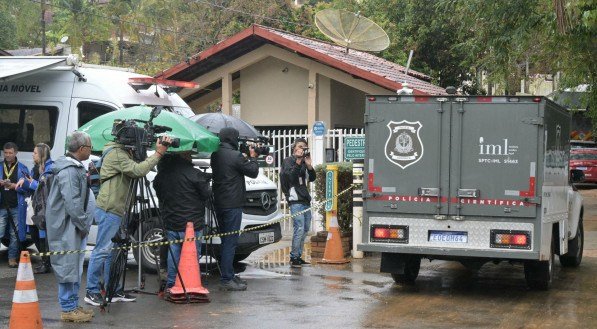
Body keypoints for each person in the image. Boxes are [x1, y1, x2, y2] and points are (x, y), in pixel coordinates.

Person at [84, 136, 171, 306]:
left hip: (117, 208)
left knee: (115, 251)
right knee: (102, 249)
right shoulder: (117, 153)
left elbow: (137, 167)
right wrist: (158, 153)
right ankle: (91, 291)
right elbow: (138, 171)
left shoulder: (123, 153)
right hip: (110, 208)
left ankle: (113, 289)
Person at [45, 132, 96, 322]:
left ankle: (73, 305)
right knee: (67, 266)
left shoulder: (73, 167)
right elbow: (73, 203)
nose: (91, 151)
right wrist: (83, 224)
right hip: (67, 226)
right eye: (90, 147)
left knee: (73, 266)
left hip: (72, 226)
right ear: (82, 149)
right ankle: (68, 308)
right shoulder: (68, 170)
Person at [153, 152, 211, 295]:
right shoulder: (194, 174)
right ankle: (190, 282)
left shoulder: (161, 176)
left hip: (171, 221)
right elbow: (207, 195)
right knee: (192, 256)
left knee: (174, 255)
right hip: (192, 224)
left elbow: (159, 194)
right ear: (185, 157)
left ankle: (172, 284)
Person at [211, 127, 258, 291]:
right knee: (230, 243)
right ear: (232, 138)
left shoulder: (215, 154)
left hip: (220, 203)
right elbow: (253, 172)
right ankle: (226, 279)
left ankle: (229, 274)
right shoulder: (235, 156)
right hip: (232, 204)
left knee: (226, 242)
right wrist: (252, 158)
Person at [16, 143, 54, 274]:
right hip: (35, 204)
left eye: (35, 153)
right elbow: (35, 184)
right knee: (33, 231)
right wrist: (24, 182)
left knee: (41, 232)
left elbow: (43, 187)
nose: (33, 155)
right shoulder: (36, 167)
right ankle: (45, 261)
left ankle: (46, 263)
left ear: (42, 155)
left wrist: (29, 182)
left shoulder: (50, 168)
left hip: (43, 206)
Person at [280, 138, 316, 268]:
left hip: (305, 200)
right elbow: (290, 177)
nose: (302, 149)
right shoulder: (288, 161)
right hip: (295, 201)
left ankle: (298, 256)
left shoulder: (304, 161)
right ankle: (294, 257)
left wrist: (309, 166)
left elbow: (312, 178)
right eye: (300, 146)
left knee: (305, 229)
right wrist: (298, 161)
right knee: (299, 228)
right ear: (294, 148)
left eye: (305, 147)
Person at [0, 142, 30, 268]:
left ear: (16, 153)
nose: (8, 155)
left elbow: (28, 188)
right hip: (1, 206)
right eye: (5, 153)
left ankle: (12, 258)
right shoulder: (0, 166)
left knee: (14, 234)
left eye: (10, 153)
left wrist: (14, 186)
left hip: (17, 206)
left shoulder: (23, 168)